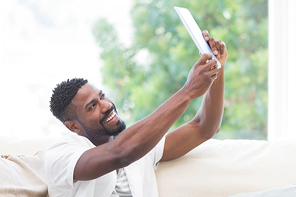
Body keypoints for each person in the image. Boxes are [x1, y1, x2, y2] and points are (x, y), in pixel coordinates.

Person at [44, 30, 227, 197]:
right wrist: (188, 91)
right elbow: (122, 153)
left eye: (102, 97)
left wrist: (216, 68)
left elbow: (205, 128)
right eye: (92, 106)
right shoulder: (61, 154)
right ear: (73, 126)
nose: (107, 105)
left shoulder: (140, 142)